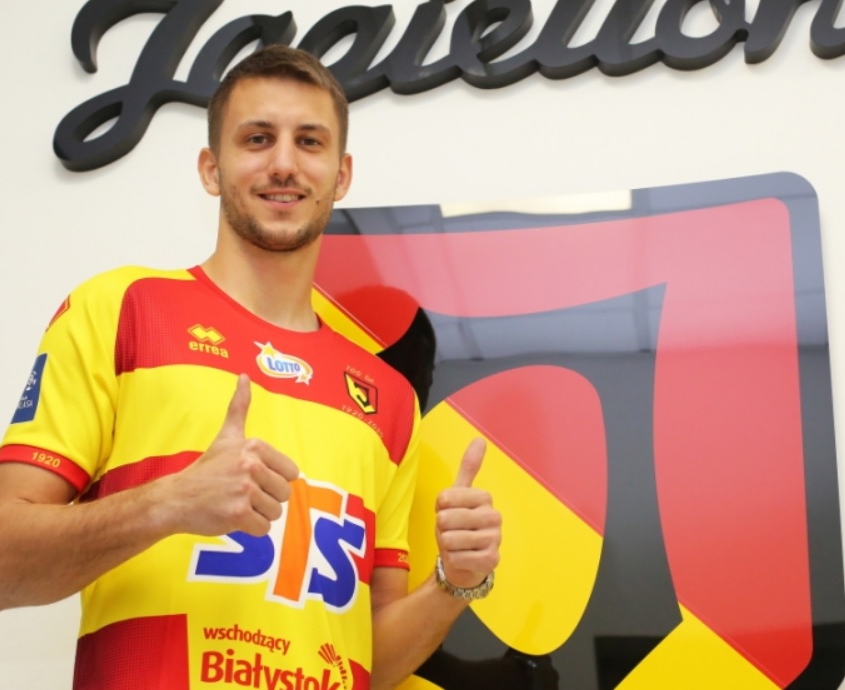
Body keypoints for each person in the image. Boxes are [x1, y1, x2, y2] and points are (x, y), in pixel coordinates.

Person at [0, 44, 501, 690]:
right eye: (258, 138)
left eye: (309, 141)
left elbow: (366, 660)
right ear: (211, 168)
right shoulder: (122, 308)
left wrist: (453, 585)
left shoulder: (390, 399)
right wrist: (168, 502)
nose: (284, 163)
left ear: (341, 175)